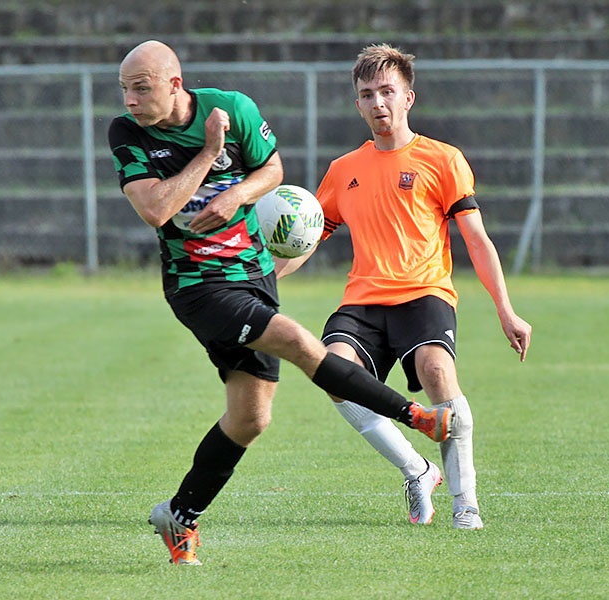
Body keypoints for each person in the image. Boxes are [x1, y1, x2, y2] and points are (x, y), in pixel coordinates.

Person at [107, 40, 452, 566]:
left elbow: (272, 171)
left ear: (175, 84)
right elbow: (156, 209)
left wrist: (238, 195)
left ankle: (179, 518)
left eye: (141, 88)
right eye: (125, 89)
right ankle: (416, 417)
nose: (130, 100)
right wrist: (207, 153)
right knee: (296, 339)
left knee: (250, 417)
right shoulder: (128, 133)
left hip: (254, 275)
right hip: (198, 286)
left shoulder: (235, 107)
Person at [275, 44, 532, 530]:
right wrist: (265, 277)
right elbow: (308, 239)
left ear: (408, 97)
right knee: (331, 371)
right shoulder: (343, 170)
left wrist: (506, 310)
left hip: (425, 293)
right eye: (367, 94)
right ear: (357, 104)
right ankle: (417, 469)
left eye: (387, 92)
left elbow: (476, 241)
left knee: (437, 370)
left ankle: (466, 505)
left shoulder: (443, 159)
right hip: (364, 300)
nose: (378, 103)